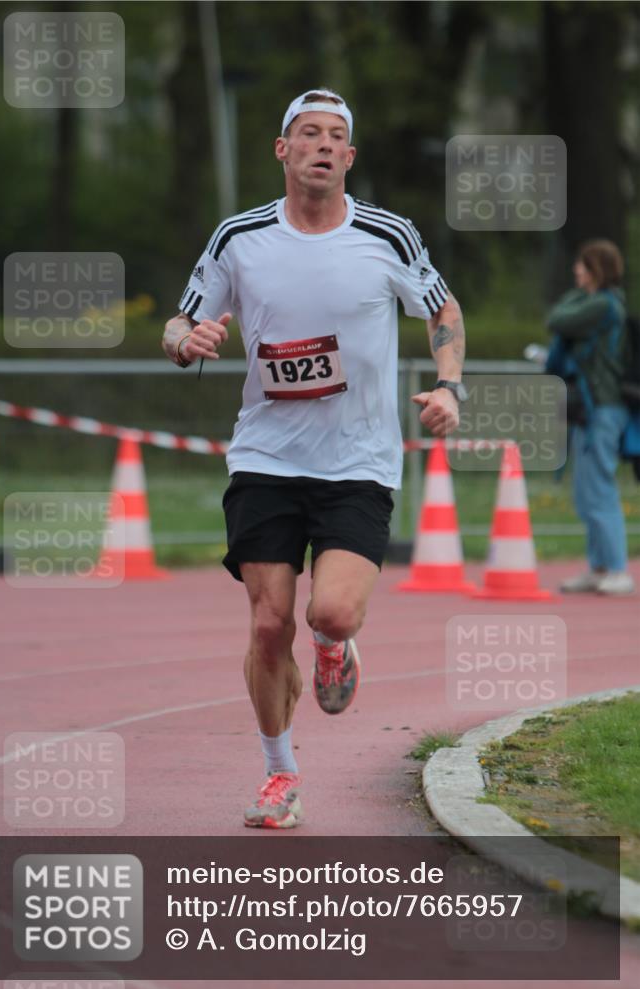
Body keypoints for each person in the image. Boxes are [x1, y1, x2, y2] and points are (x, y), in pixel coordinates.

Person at [162, 88, 467, 828]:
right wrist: (184, 342)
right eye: (308, 133)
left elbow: (443, 310)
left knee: (328, 611)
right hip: (265, 456)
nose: (323, 145)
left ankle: (334, 644)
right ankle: (279, 775)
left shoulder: (387, 235)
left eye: (336, 136)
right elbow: (181, 319)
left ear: (349, 157)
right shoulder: (240, 236)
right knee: (269, 628)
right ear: (283, 150)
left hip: (358, 462)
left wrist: (450, 387)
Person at [546, 239, 634, 596]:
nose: (576, 271)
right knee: (586, 491)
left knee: (599, 488)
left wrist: (576, 294)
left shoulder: (603, 304)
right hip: (590, 410)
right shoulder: (599, 302)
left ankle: (617, 569)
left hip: (604, 407)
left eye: (583, 265)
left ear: (597, 269)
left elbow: (557, 318)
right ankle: (598, 566)